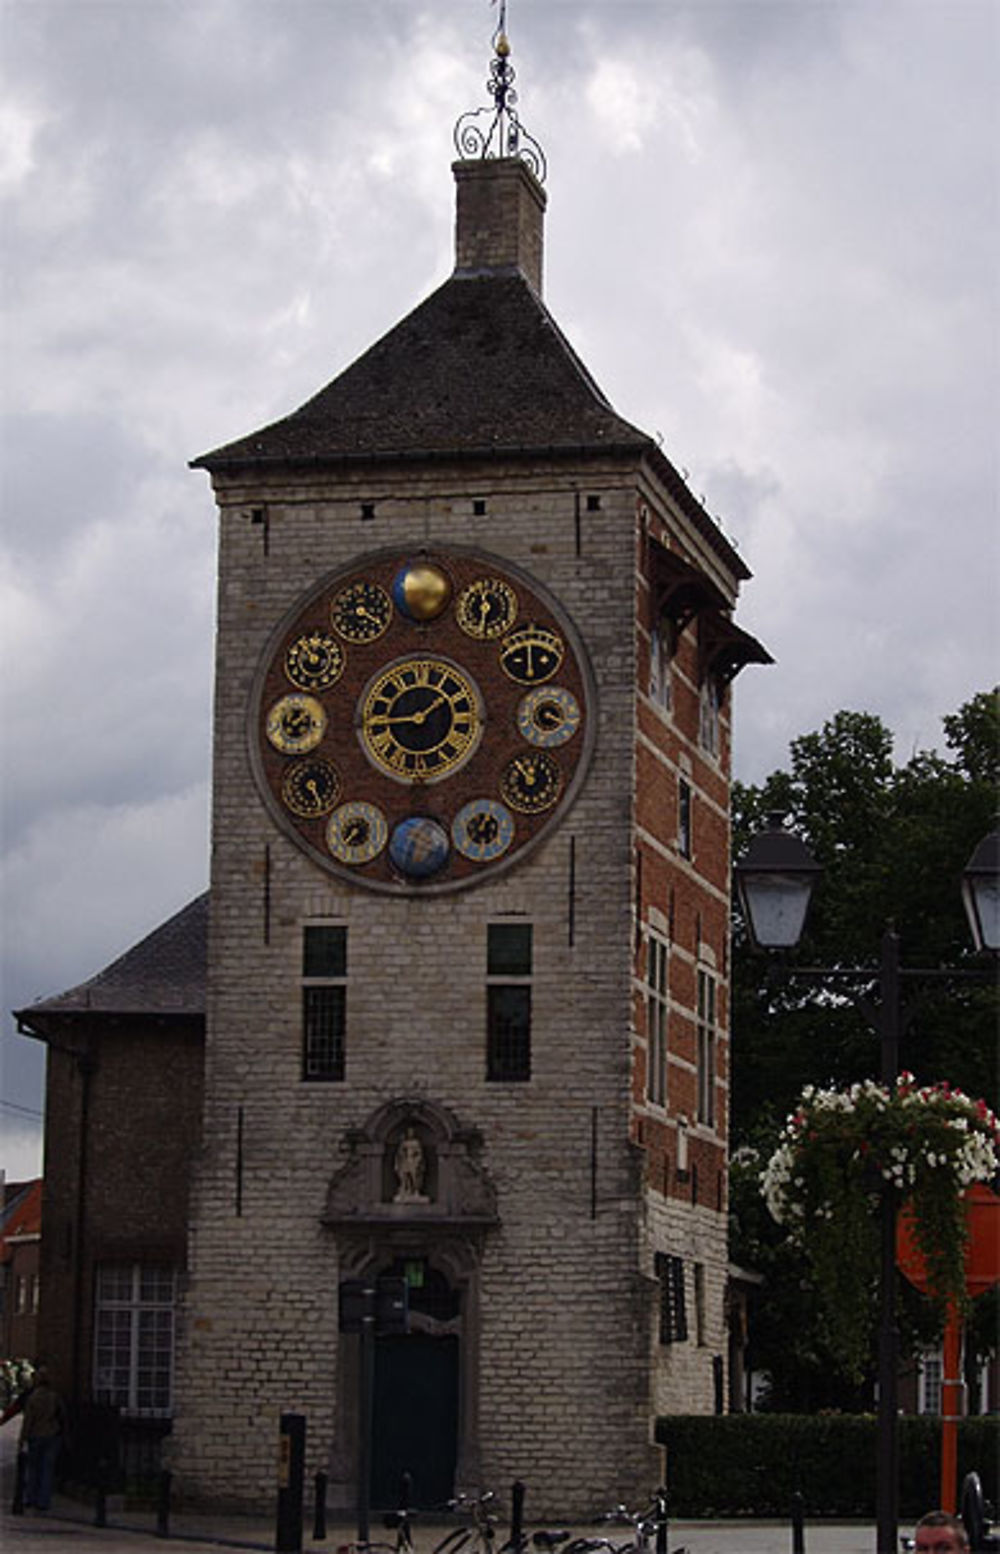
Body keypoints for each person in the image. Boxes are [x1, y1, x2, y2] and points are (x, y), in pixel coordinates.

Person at [19, 1366, 68, 1513]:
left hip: (35, 1435)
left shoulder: (33, 1398)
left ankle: (30, 1498)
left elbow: (28, 1420)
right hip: (52, 1435)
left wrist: (22, 1438)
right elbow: (63, 1416)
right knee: (47, 1469)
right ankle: (43, 1500)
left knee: (33, 1468)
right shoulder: (55, 1397)